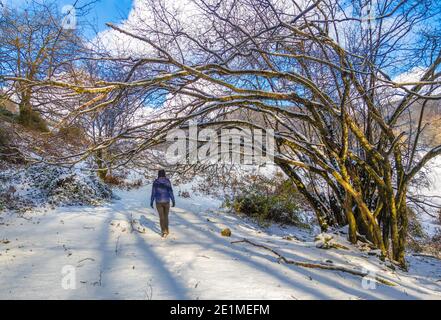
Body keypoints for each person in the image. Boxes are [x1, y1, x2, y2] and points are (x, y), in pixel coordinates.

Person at [150, 169, 175, 238]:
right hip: (166, 201)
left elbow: (153, 193)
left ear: (158, 174)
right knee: (166, 216)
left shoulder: (155, 182)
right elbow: (170, 192)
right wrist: (173, 200)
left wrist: (151, 202)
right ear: (164, 174)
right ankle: (166, 230)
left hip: (158, 202)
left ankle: (163, 231)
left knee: (161, 217)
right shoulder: (167, 181)